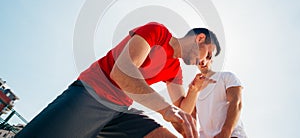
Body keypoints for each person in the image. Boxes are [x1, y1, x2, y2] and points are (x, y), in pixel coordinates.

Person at [16, 22, 221, 138]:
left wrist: (194, 90)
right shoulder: (158, 32)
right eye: (209, 55)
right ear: (200, 38)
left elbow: (181, 110)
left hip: (121, 111)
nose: (206, 61)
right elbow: (122, 73)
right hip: (92, 94)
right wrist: (166, 110)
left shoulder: (175, 70)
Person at [184, 57, 247, 138]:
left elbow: (236, 102)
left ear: (211, 59)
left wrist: (225, 132)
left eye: (206, 58)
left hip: (233, 135)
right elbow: (191, 118)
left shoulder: (227, 76)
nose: (202, 62)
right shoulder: (195, 89)